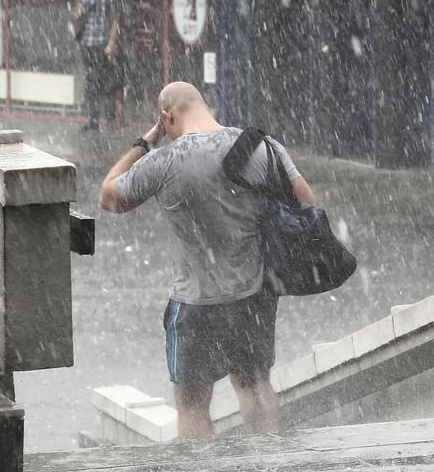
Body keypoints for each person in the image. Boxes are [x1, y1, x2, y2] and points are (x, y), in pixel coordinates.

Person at [99, 81, 316, 440]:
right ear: (206, 106)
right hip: (252, 296)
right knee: (255, 385)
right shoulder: (260, 145)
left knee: (193, 403)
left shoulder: (165, 160)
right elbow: (306, 203)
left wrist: (146, 141)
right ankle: (267, 463)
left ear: (167, 117)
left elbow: (109, 195)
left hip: (195, 304)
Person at [72, 0, 120, 132]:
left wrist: (111, 43)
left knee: (107, 82)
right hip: (87, 43)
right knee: (91, 83)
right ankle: (93, 121)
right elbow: (76, 15)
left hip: (102, 44)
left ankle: (111, 120)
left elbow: (115, 19)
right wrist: (78, 13)